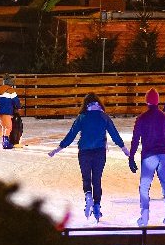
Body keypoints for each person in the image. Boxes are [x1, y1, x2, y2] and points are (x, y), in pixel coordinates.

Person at [50, 93, 124, 222]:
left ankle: (88, 195)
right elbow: (114, 134)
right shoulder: (104, 117)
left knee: (86, 178)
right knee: (97, 179)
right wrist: (124, 148)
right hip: (100, 152)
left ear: (86, 104)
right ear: (98, 104)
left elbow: (71, 135)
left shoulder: (81, 117)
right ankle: (96, 206)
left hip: (84, 152)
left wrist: (59, 148)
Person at [128, 89, 165, 227]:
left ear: (146, 101)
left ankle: (144, 217)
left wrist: (131, 157)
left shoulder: (142, 118)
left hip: (149, 157)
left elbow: (135, 139)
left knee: (144, 187)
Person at [0, 75, 21, 148]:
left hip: (0, 111)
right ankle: (6, 143)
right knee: (9, 127)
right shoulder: (11, 91)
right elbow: (16, 101)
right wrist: (18, 107)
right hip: (7, 111)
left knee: (4, 126)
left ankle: (3, 141)